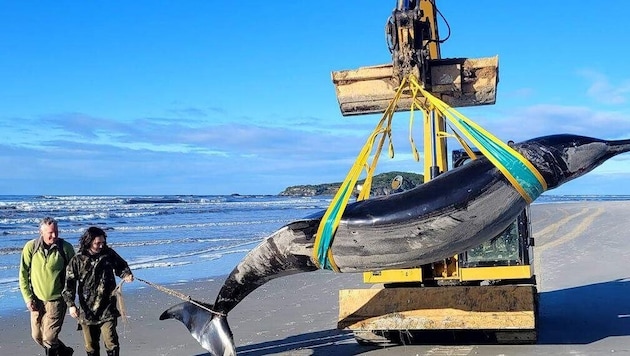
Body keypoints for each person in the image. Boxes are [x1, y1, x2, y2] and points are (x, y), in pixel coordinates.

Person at [63, 226, 134, 356]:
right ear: (89, 242)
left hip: (108, 307)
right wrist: (71, 305)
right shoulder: (77, 260)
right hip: (87, 310)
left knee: (111, 341)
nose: (101, 246)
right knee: (91, 346)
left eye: (103, 242)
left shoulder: (108, 254)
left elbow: (121, 266)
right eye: (97, 243)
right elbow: (69, 284)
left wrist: (126, 274)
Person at [19, 217, 76, 356]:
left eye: (56, 232)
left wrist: (71, 302)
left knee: (49, 338)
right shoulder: (31, 247)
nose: (54, 235)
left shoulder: (66, 248)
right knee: (37, 336)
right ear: (41, 232)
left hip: (56, 300)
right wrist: (28, 299)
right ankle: (65, 352)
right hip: (36, 300)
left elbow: (74, 275)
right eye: (50, 232)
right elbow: (23, 275)